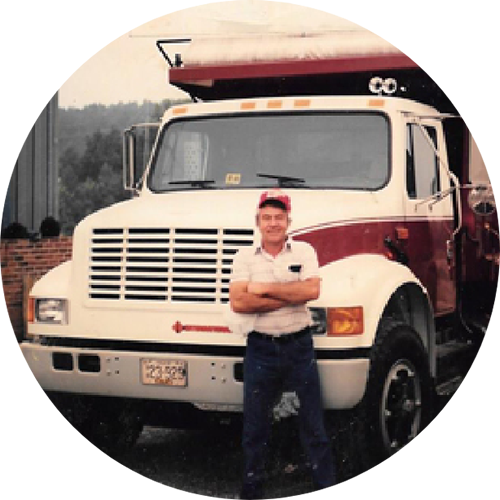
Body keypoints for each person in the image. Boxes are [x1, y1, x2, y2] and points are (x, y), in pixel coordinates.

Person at [229, 190, 336, 500]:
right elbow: (238, 301)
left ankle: (325, 487)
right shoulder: (243, 257)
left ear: (289, 220)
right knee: (254, 428)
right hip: (260, 349)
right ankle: (251, 492)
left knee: (313, 424)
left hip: (298, 347)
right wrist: (290, 293)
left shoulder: (304, 252)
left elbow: (312, 290)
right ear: (258, 222)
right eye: (267, 218)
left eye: (279, 217)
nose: (273, 223)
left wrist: (262, 290)